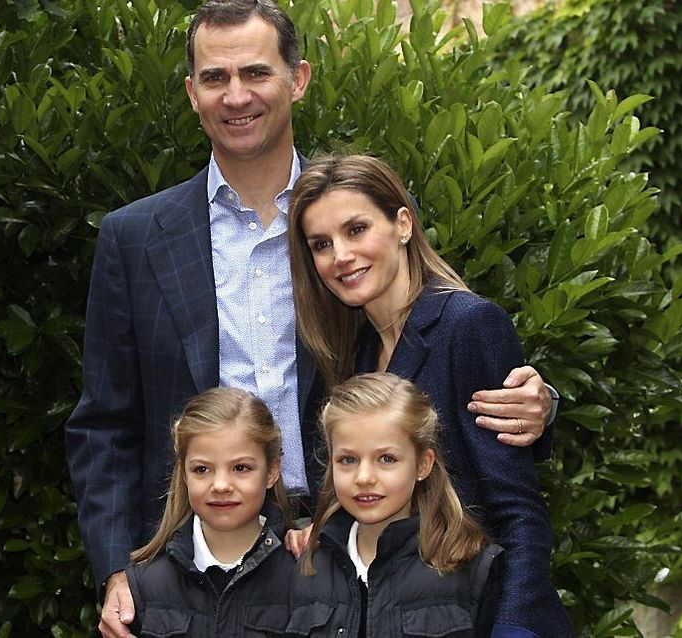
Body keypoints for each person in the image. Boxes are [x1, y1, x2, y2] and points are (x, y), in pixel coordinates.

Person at [64, 3, 555, 636]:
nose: (236, 95)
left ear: (297, 79)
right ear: (192, 93)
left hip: (349, 552)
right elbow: (104, 424)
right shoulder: (133, 238)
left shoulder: (336, 224)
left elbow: (432, 350)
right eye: (215, 77)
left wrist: (540, 404)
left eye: (257, 73)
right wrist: (114, 570)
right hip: (195, 564)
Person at [287, 154, 573, 636]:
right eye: (321, 244)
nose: (340, 255)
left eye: (357, 229)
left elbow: (516, 509)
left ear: (403, 223)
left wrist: (513, 627)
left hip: (480, 614)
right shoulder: (354, 349)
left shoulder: (467, 325)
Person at [289, 373, 503, 636]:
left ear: (423, 464)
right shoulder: (307, 567)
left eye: (387, 459)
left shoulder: (470, 566)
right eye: (347, 460)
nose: (364, 477)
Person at [125, 387, 294, 636]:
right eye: (202, 470)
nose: (221, 485)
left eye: (241, 467)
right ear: (184, 473)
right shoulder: (143, 583)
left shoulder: (306, 572)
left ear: (271, 471)